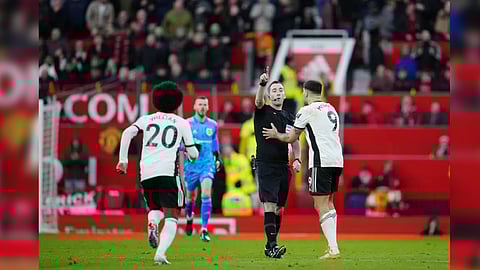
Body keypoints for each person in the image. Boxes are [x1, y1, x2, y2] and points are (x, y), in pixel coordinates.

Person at [116, 81, 199, 265]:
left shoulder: (146, 119)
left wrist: (123, 160)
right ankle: (160, 254)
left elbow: (127, 133)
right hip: (168, 173)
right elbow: (193, 154)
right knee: (172, 215)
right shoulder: (181, 122)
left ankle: (152, 223)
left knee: (155, 209)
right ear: (177, 102)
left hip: (146, 174)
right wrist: (189, 152)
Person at [262, 80, 343, 260]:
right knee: (329, 203)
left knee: (319, 204)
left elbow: (292, 137)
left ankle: (333, 248)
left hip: (321, 161)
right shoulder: (331, 108)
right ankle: (333, 246)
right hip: (337, 160)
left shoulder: (306, 111)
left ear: (305, 93)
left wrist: (276, 135)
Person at [254, 66, 301, 258]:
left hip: (284, 166)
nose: (278, 93)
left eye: (280, 90)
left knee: (280, 209)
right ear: (269, 95)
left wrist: (297, 158)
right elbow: (258, 100)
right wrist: (262, 84)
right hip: (266, 164)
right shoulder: (263, 111)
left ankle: (270, 244)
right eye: (274, 91)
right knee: (270, 204)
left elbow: (295, 140)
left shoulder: (289, 116)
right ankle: (273, 245)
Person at [184, 96, 222, 242]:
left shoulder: (213, 125)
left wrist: (217, 158)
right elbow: (181, 146)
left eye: (205, 105)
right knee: (190, 197)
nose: (202, 107)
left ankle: (204, 229)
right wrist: (191, 147)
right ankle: (189, 217)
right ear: (194, 107)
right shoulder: (187, 124)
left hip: (207, 165)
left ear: (208, 107)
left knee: (206, 194)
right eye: (200, 104)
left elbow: (214, 143)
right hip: (191, 166)